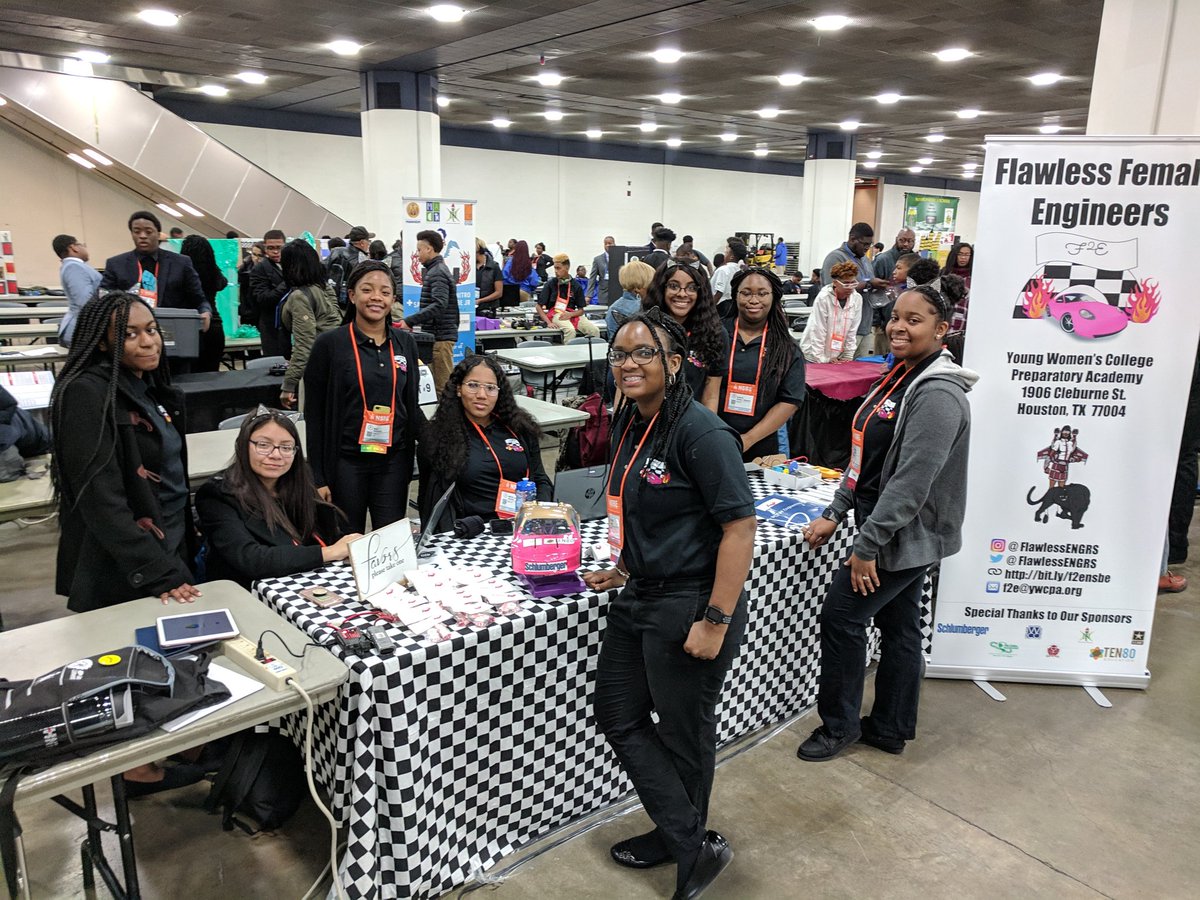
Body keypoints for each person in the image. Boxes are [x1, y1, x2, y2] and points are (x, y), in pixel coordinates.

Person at [584, 307, 755, 900]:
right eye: (620, 355)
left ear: (674, 363)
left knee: (684, 732)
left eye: (641, 354)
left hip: (690, 603)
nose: (627, 364)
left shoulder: (701, 432)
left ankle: (687, 848)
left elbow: (739, 529)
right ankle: (685, 834)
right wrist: (625, 563)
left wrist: (715, 619)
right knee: (617, 713)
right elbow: (644, 506)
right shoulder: (635, 420)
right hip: (641, 593)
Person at [798, 284, 976, 761]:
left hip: (904, 535)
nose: (898, 326)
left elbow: (910, 485)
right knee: (900, 627)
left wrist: (868, 546)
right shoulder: (898, 375)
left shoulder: (938, 394)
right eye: (895, 317)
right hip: (887, 529)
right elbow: (866, 458)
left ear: (941, 330)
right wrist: (836, 512)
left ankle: (838, 727)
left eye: (913, 320)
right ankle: (891, 727)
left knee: (841, 617)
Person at [50, 291, 199, 612]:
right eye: (130, 334)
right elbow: (102, 501)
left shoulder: (148, 388)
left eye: (152, 329)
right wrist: (158, 571)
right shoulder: (86, 394)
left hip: (173, 536)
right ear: (102, 343)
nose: (148, 342)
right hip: (130, 560)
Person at [303, 261, 421, 534]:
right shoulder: (330, 344)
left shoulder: (406, 344)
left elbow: (411, 407)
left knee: (391, 540)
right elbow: (315, 415)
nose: (376, 297)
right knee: (346, 542)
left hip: (393, 461)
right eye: (367, 290)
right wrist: (317, 477)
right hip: (346, 462)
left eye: (385, 292)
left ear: (393, 299)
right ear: (352, 295)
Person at [196, 410, 360, 588]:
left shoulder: (298, 481)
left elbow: (326, 532)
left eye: (286, 447)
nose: (276, 455)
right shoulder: (217, 494)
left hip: (305, 579)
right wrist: (329, 553)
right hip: (251, 590)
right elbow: (252, 559)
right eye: (264, 445)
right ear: (243, 445)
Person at [418, 355, 552, 532]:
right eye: (473, 385)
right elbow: (430, 499)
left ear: (499, 392)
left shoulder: (520, 428)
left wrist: (538, 514)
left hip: (521, 525)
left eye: (490, 388)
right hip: (470, 533)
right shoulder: (438, 437)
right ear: (458, 389)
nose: (481, 395)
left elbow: (541, 478)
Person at [99, 211, 211, 372]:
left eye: (148, 232)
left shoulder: (181, 263)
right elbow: (103, 300)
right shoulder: (116, 264)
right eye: (137, 232)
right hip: (133, 345)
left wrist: (205, 311)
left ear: (158, 234)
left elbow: (199, 298)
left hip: (173, 340)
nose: (142, 236)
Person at [718, 267, 807, 460]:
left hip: (761, 449)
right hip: (711, 440)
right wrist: (711, 435)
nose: (754, 300)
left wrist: (747, 440)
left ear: (774, 297)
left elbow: (790, 400)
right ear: (735, 295)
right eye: (746, 293)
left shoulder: (786, 347)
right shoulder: (716, 335)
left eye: (762, 293)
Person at [643, 262, 729, 411]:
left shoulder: (715, 334)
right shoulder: (643, 329)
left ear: (701, 292)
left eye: (691, 288)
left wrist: (707, 431)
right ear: (661, 289)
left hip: (690, 424)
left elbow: (711, 395)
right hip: (645, 421)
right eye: (674, 286)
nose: (682, 294)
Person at [279, 239, 341, 410]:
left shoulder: (299, 296)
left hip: (318, 370)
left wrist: (289, 385)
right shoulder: (324, 288)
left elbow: (305, 345)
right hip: (338, 364)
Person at [822, 223, 889, 359]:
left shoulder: (865, 260)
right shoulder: (835, 258)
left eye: (870, 244)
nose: (867, 248)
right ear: (852, 239)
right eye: (864, 244)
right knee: (840, 370)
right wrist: (869, 283)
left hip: (865, 325)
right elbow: (831, 288)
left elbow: (867, 284)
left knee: (860, 370)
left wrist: (877, 286)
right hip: (842, 329)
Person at [401, 229, 457, 392]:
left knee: (443, 388)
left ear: (429, 249)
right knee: (436, 386)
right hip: (436, 335)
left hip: (441, 337)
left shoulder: (438, 272)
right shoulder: (435, 270)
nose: (417, 254)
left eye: (419, 250)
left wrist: (410, 320)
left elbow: (440, 304)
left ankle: (447, 418)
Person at [178, 235, 228, 373]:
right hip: (214, 324)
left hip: (188, 326)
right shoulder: (213, 272)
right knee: (212, 375)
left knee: (189, 375)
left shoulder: (182, 273)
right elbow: (222, 283)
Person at [800, 260, 863, 363]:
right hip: (813, 353)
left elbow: (852, 330)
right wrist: (821, 359)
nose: (850, 287)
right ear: (835, 283)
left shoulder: (857, 299)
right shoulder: (823, 298)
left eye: (853, 283)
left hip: (836, 355)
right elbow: (818, 330)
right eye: (846, 284)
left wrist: (848, 356)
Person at [536, 253, 600, 342]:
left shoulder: (576, 285)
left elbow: (581, 311)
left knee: (594, 331)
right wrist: (549, 322)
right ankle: (568, 354)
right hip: (556, 314)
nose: (555, 271)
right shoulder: (550, 284)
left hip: (572, 314)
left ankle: (592, 353)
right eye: (555, 268)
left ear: (567, 268)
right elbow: (538, 306)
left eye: (558, 268)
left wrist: (570, 314)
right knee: (570, 331)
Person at [52, 233, 101, 345]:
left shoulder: (74, 266)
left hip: (85, 330)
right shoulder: (74, 267)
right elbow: (85, 302)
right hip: (82, 331)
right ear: (73, 247)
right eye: (82, 245)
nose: (84, 248)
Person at [249, 229, 290, 357]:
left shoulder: (291, 265)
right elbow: (263, 298)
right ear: (265, 248)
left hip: (293, 323)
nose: (275, 251)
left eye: (279, 247)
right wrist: (288, 282)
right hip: (272, 326)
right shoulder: (260, 269)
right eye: (271, 248)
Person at [327, 226, 372, 306]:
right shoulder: (361, 260)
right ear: (362, 243)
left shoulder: (336, 251)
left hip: (329, 299)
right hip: (349, 303)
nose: (369, 244)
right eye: (368, 241)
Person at [712, 240, 747, 316]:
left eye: (726, 253)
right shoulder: (740, 270)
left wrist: (710, 309)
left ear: (731, 257)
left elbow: (719, 292)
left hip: (720, 306)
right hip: (732, 305)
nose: (724, 255)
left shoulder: (723, 270)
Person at [475, 244, 504, 314]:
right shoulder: (469, 267)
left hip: (488, 309)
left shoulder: (494, 267)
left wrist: (480, 300)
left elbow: (499, 293)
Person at [587, 236, 615, 304]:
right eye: (605, 243)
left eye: (610, 243)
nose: (607, 245)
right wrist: (589, 295)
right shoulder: (598, 259)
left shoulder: (620, 257)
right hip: (603, 294)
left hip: (617, 293)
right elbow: (592, 278)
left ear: (614, 244)